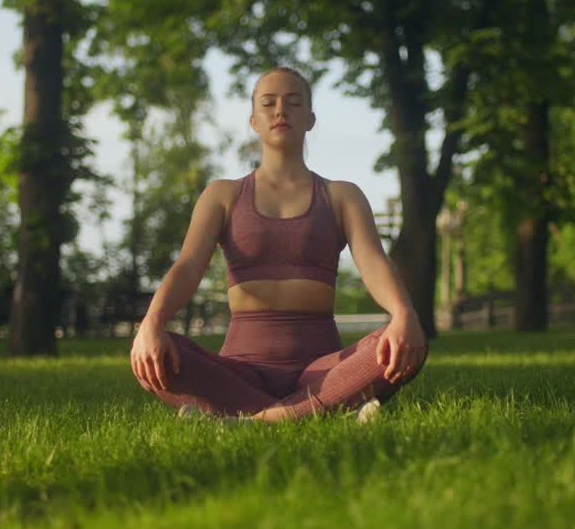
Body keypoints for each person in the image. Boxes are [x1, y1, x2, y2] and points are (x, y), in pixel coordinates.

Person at [129, 67, 427, 422]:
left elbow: (374, 263)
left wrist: (404, 314)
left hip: (322, 370)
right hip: (240, 370)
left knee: (401, 344)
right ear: (253, 120)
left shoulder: (341, 195)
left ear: (311, 119)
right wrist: (152, 322)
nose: (280, 111)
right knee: (155, 352)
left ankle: (251, 418)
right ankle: (317, 409)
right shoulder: (222, 195)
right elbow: (188, 266)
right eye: (268, 103)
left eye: (294, 102)